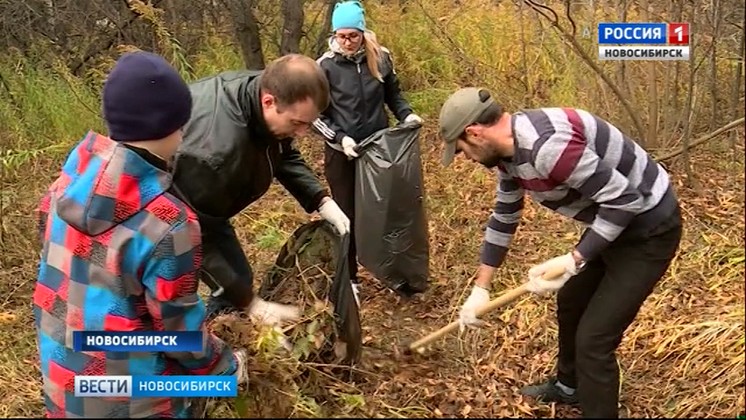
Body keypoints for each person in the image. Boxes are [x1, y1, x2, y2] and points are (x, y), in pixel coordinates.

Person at [437, 87, 683, 418]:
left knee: (594, 341)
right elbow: (505, 215)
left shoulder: (548, 147)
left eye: (462, 148)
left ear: (475, 133)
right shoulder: (508, 156)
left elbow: (625, 200)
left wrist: (575, 258)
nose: (465, 157)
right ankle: (569, 387)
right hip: (612, 224)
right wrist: (481, 288)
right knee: (571, 300)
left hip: (649, 229)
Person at [33, 51, 248, 418]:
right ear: (174, 126)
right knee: (220, 383)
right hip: (132, 400)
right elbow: (179, 335)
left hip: (62, 384)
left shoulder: (66, 184)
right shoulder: (170, 222)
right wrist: (227, 365)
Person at [170, 54, 350, 321]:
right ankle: (210, 351)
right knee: (178, 302)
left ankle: (226, 332)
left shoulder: (262, 89)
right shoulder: (214, 155)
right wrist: (250, 302)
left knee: (238, 275)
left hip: (206, 205)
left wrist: (321, 199)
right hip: (167, 220)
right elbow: (191, 237)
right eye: (297, 123)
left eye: (308, 123)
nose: (302, 133)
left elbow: (283, 152)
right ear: (269, 102)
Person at [312, 0, 424, 301]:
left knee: (386, 212)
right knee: (346, 215)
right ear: (334, 34)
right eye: (341, 36)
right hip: (343, 154)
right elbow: (315, 116)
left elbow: (394, 97)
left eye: (352, 35)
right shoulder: (325, 66)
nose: (346, 42)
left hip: (378, 152)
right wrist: (340, 138)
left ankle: (394, 272)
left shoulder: (381, 58)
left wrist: (407, 115)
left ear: (362, 32)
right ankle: (349, 279)